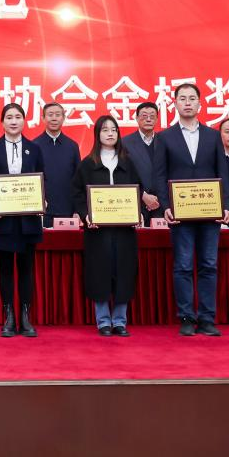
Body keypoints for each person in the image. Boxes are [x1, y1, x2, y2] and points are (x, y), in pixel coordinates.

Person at [153, 82, 229, 337]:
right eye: (182, 98)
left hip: (210, 212)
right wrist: (166, 206)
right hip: (181, 213)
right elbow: (159, 175)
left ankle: (207, 318)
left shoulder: (213, 135)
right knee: (183, 265)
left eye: (192, 98)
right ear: (175, 104)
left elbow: (222, 172)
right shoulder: (165, 137)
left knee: (209, 265)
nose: (187, 103)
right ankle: (186, 317)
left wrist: (226, 205)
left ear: (199, 103)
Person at [72, 115, 143, 337]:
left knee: (124, 271)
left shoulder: (127, 162)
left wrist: (137, 212)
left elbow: (138, 189)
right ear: (97, 134)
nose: (110, 133)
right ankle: (103, 321)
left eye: (114, 130)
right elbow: (76, 194)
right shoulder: (87, 163)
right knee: (99, 272)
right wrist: (86, 216)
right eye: (105, 130)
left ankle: (120, 321)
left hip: (124, 230)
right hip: (97, 231)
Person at [0, 103, 44, 338]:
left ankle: (26, 317)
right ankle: (8, 317)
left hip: (28, 221)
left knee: (26, 269)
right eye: (9, 117)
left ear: (24, 120)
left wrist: (42, 199)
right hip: (3, 220)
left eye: (18, 117)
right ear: (2, 122)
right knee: (5, 269)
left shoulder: (34, 148)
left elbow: (42, 178)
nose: (13, 121)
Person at [35, 102, 81, 227]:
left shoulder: (72, 146)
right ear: (43, 118)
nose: (54, 118)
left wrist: (77, 210)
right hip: (41, 212)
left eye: (57, 115)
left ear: (63, 118)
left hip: (68, 212)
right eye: (50, 115)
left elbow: (78, 180)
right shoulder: (34, 146)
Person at [121, 102, 163, 225]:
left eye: (152, 116)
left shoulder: (165, 141)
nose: (148, 119)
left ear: (157, 119)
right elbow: (123, 174)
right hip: (135, 203)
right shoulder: (125, 143)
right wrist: (142, 195)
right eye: (144, 116)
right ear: (137, 118)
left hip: (161, 204)